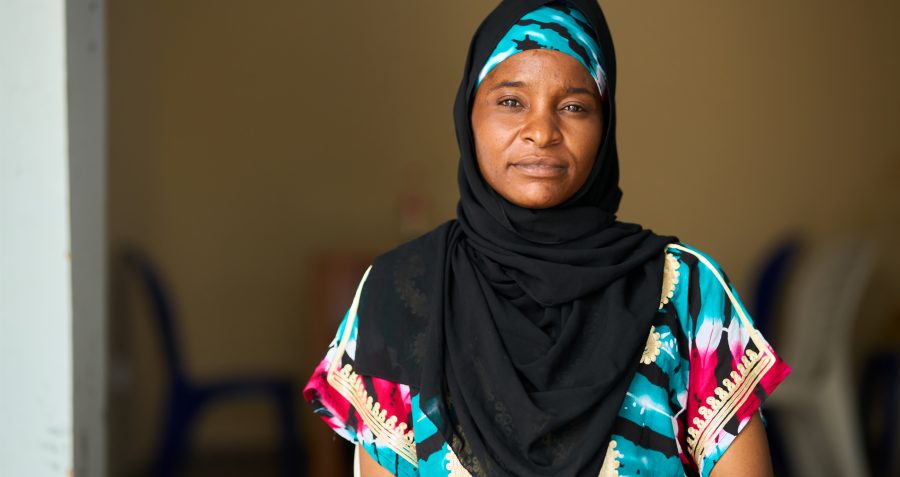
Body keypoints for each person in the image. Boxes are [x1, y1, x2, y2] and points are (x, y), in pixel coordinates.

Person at [303, 1, 791, 476]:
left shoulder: (686, 290)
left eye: (574, 106)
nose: (542, 131)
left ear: (604, 125)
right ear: (468, 113)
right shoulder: (398, 292)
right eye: (511, 102)